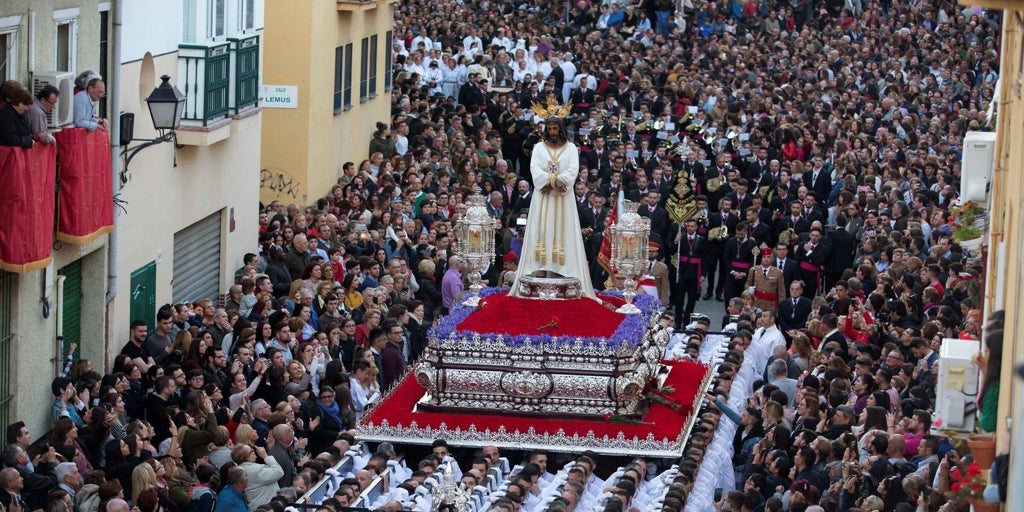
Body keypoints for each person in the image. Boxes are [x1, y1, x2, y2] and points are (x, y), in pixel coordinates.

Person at [511, 116, 595, 298]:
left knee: (564, 230)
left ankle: (562, 267)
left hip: (563, 197)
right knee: (541, 229)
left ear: (561, 129)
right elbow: (534, 168)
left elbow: (573, 168)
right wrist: (549, 181)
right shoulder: (539, 148)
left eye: (555, 128)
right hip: (544, 195)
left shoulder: (571, 148)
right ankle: (540, 266)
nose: (552, 132)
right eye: (549, 129)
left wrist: (558, 182)